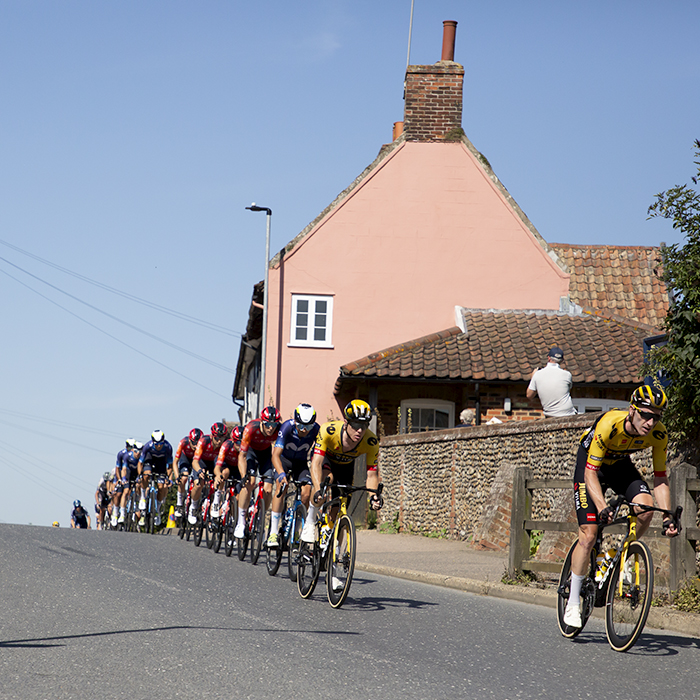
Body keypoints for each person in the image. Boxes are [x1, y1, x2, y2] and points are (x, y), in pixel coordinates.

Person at [563, 385, 679, 628]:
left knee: (646, 509)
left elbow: (660, 478)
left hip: (619, 466)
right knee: (589, 534)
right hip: (590, 467)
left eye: (656, 417)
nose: (650, 422)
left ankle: (621, 556)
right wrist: (602, 506)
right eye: (645, 414)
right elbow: (590, 473)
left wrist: (668, 515)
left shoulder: (658, 434)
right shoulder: (609, 424)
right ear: (632, 411)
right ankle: (573, 601)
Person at [301, 399, 383, 545]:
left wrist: (373, 496)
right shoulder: (328, 431)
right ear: (346, 423)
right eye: (356, 425)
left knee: (340, 508)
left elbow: (371, 475)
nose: (360, 430)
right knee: (326, 481)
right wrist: (319, 489)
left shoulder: (371, 441)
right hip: (326, 460)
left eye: (364, 425)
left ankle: (334, 549)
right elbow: (316, 463)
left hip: (346, 466)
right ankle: (310, 520)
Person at [266, 403, 320, 548]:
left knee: (307, 491)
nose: (304, 430)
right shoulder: (287, 427)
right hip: (283, 461)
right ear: (295, 421)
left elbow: (318, 456)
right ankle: (273, 533)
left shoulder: (316, 430)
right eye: (301, 426)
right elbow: (275, 455)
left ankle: (297, 531)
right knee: (281, 488)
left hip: (301, 463)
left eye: (308, 427)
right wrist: (282, 474)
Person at [234, 406, 282, 539]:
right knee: (250, 482)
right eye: (267, 424)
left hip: (266, 455)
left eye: (274, 424)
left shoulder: (279, 430)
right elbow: (242, 456)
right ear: (261, 422)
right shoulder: (251, 428)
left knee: (268, 489)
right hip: (251, 453)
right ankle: (241, 522)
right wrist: (243, 476)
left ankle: (260, 517)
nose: (271, 428)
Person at [187, 422, 229, 525]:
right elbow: (195, 461)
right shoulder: (203, 441)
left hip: (215, 463)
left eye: (222, 438)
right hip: (202, 462)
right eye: (216, 438)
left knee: (224, 472)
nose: (219, 441)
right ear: (211, 436)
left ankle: (216, 501)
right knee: (198, 483)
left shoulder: (224, 445)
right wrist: (199, 470)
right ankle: (193, 505)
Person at [526, 346, 576, 417]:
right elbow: (567, 391)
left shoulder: (538, 374)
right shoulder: (567, 375)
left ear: (548, 358)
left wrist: (533, 378)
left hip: (550, 415)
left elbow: (529, 395)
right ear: (561, 360)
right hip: (568, 414)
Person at [138, 430, 174, 527]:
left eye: (161, 443)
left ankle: (157, 510)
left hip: (161, 463)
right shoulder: (147, 446)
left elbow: (170, 466)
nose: (159, 446)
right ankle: (143, 497)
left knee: (161, 487)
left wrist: (168, 478)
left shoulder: (168, 447)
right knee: (146, 475)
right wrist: (139, 475)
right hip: (149, 461)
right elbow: (140, 463)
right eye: (156, 444)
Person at [211, 425, 242, 517]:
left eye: (242, 442)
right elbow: (217, 467)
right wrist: (218, 475)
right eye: (237, 442)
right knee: (225, 472)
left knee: (238, 498)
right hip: (226, 465)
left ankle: (233, 519)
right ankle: (216, 500)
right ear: (233, 440)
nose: (240, 445)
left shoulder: (246, 448)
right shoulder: (226, 445)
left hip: (237, 468)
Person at [172, 428, 203, 519]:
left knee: (199, 480)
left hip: (196, 460)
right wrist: (177, 477)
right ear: (189, 440)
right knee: (184, 477)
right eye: (193, 442)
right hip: (185, 458)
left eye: (197, 443)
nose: (195, 445)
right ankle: (179, 504)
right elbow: (175, 462)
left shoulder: (202, 446)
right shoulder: (183, 443)